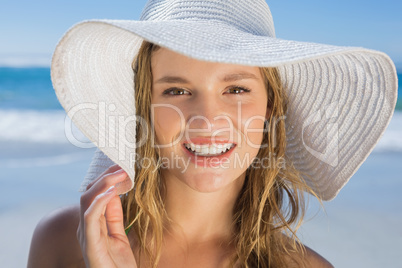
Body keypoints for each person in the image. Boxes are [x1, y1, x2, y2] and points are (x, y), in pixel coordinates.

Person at [27, 0, 397, 267]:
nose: (207, 120)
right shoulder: (63, 241)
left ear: (270, 109)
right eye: (176, 91)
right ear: (145, 111)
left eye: (236, 90)